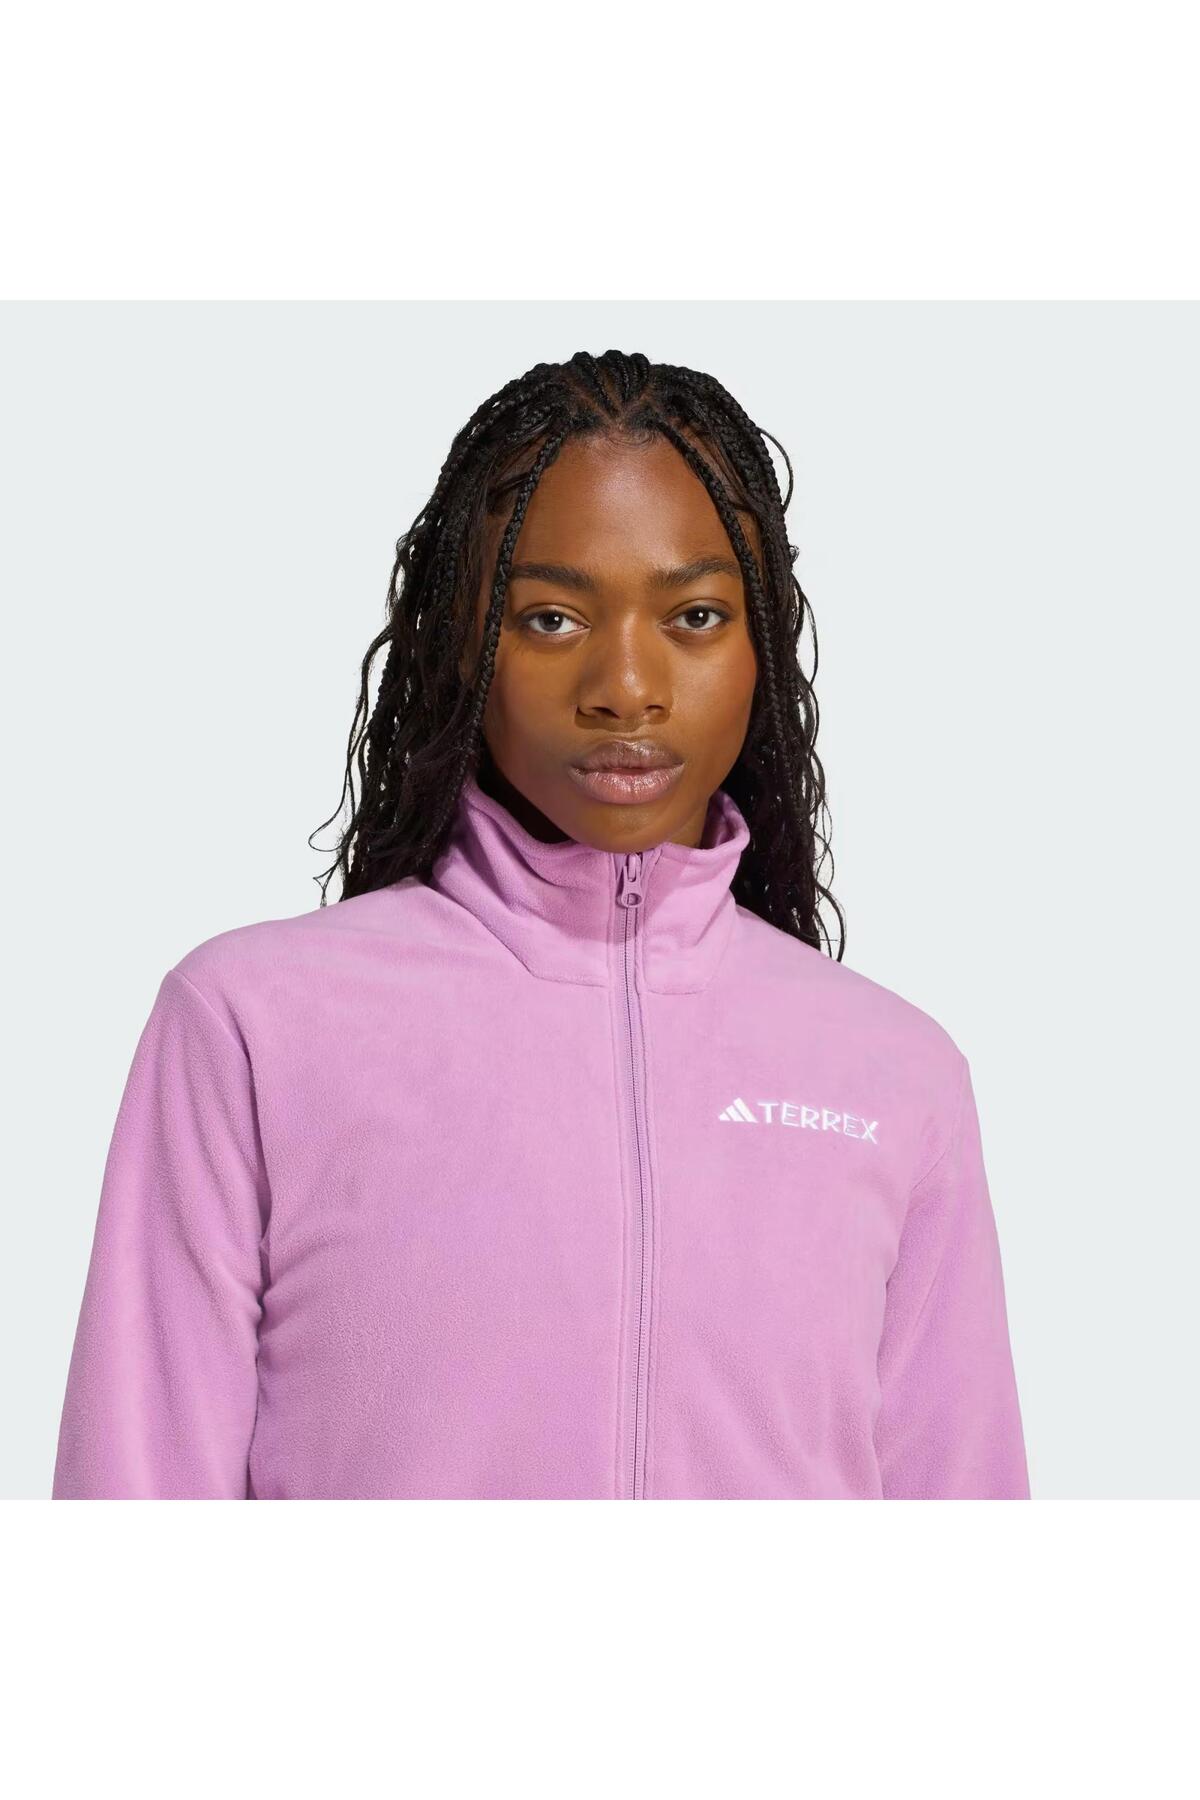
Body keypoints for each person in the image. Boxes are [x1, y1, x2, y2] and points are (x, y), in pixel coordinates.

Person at [51, 348, 1030, 1500]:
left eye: (696, 615)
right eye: (553, 618)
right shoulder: (253, 1027)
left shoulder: (894, 1073)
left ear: (760, 645)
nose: (626, 687)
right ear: (465, 642)